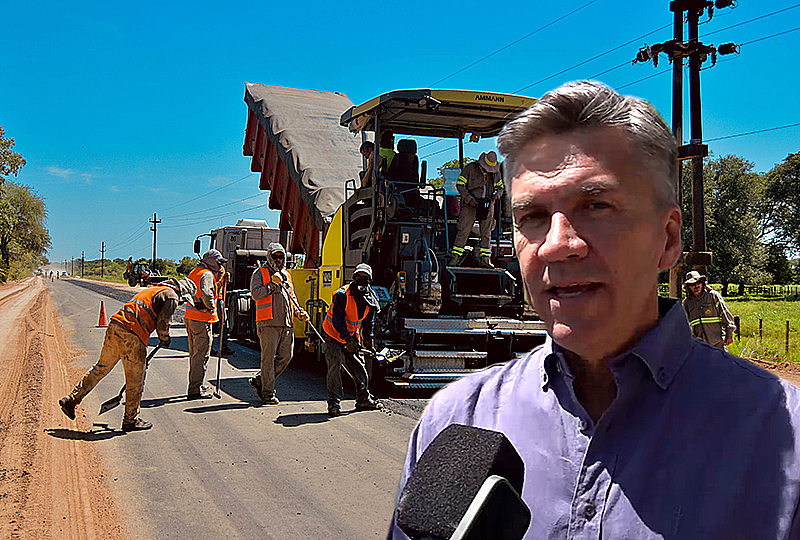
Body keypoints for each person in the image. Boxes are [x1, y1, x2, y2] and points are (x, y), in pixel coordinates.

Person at [389, 81, 800, 539]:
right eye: (532, 216)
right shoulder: (453, 420)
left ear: (668, 238)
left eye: (596, 206)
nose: (556, 244)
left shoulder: (785, 437)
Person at [58, 278, 196, 432]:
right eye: (184, 301)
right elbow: (163, 323)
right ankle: (131, 420)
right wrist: (165, 337)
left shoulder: (155, 290)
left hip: (115, 326)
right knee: (135, 380)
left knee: (100, 368)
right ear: (182, 294)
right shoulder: (171, 296)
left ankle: (71, 400)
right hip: (131, 335)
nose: (181, 303)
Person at [248, 242, 309, 405]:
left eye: (281, 257)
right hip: (268, 322)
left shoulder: (287, 275)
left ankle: (260, 380)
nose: (278, 260)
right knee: (268, 359)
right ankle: (268, 393)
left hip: (286, 323)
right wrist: (272, 285)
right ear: (269, 257)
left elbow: (292, 297)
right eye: (275, 257)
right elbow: (255, 294)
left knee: (286, 356)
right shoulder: (259, 273)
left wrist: (299, 312)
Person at [322, 263, 383, 417]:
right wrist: (347, 339)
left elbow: (369, 323)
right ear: (354, 278)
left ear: (369, 280)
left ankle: (363, 399)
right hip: (333, 334)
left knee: (358, 367)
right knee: (335, 366)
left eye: (365, 278)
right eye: (358, 277)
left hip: (351, 335)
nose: (361, 280)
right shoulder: (342, 295)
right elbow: (337, 321)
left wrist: (368, 341)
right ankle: (334, 403)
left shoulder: (371, 299)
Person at [183, 249, 227, 400]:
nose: (221, 265)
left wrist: (220, 281)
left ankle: (195, 385)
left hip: (190, 317)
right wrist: (211, 307)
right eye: (219, 262)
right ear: (211, 262)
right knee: (201, 355)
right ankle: (195, 389)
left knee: (195, 354)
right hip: (201, 319)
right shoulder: (207, 274)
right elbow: (208, 294)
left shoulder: (195, 272)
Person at [449, 151, 504, 268]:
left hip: (488, 205)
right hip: (470, 205)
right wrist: (469, 199)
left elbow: (501, 187)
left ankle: (485, 259)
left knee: (486, 233)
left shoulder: (496, 173)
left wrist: (497, 194)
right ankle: (455, 258)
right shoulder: (470, 169)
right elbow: (460, 185)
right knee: (463, 230)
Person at [683, 270, 736, 349]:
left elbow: (725, 314)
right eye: (692, 284)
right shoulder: (687, 303)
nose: (696, 286)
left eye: (698, 283)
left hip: (717, 342)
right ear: (688, 287)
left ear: (702, 283)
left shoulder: (713, 296)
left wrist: (729, 333)